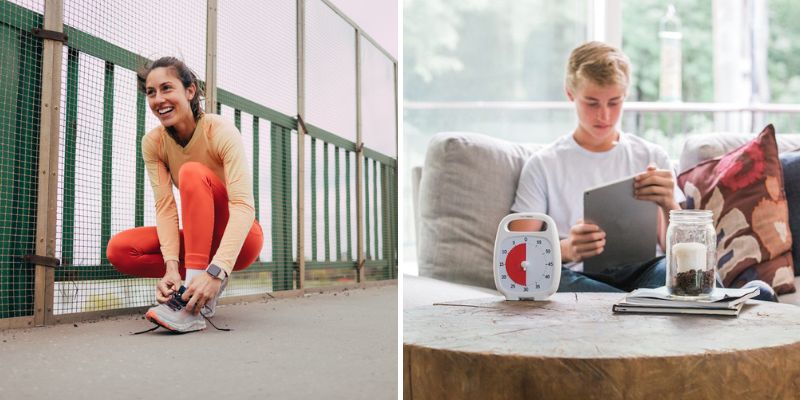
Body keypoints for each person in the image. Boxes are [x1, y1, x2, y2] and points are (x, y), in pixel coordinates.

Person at [509, 42, 777, 301]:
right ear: (570, 93)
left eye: (614, 102)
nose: (604, 115)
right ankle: (649, 304)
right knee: (555, 283)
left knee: (683, 274)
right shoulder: (543, 165)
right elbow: (519, 256)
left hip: (646, 271)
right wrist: (566, 249)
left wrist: (667, 203)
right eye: (592, 103)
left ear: (625, 96)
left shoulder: (651, 156)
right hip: (576, 274)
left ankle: (637, 304)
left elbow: (682, 250)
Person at [106, 57, 264, 332]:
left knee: (192, 172)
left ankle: (190, 307)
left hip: (241, 238)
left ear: (190, 91)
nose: (158, 99)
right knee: (121, 250)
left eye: (167, 88)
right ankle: (191, 286)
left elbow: (242, 205)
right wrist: (170, 268)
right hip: (199, 241)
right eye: (151, 92)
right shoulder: (153, 143)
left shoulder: (219, 130)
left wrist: (217, 271)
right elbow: (166, 207)